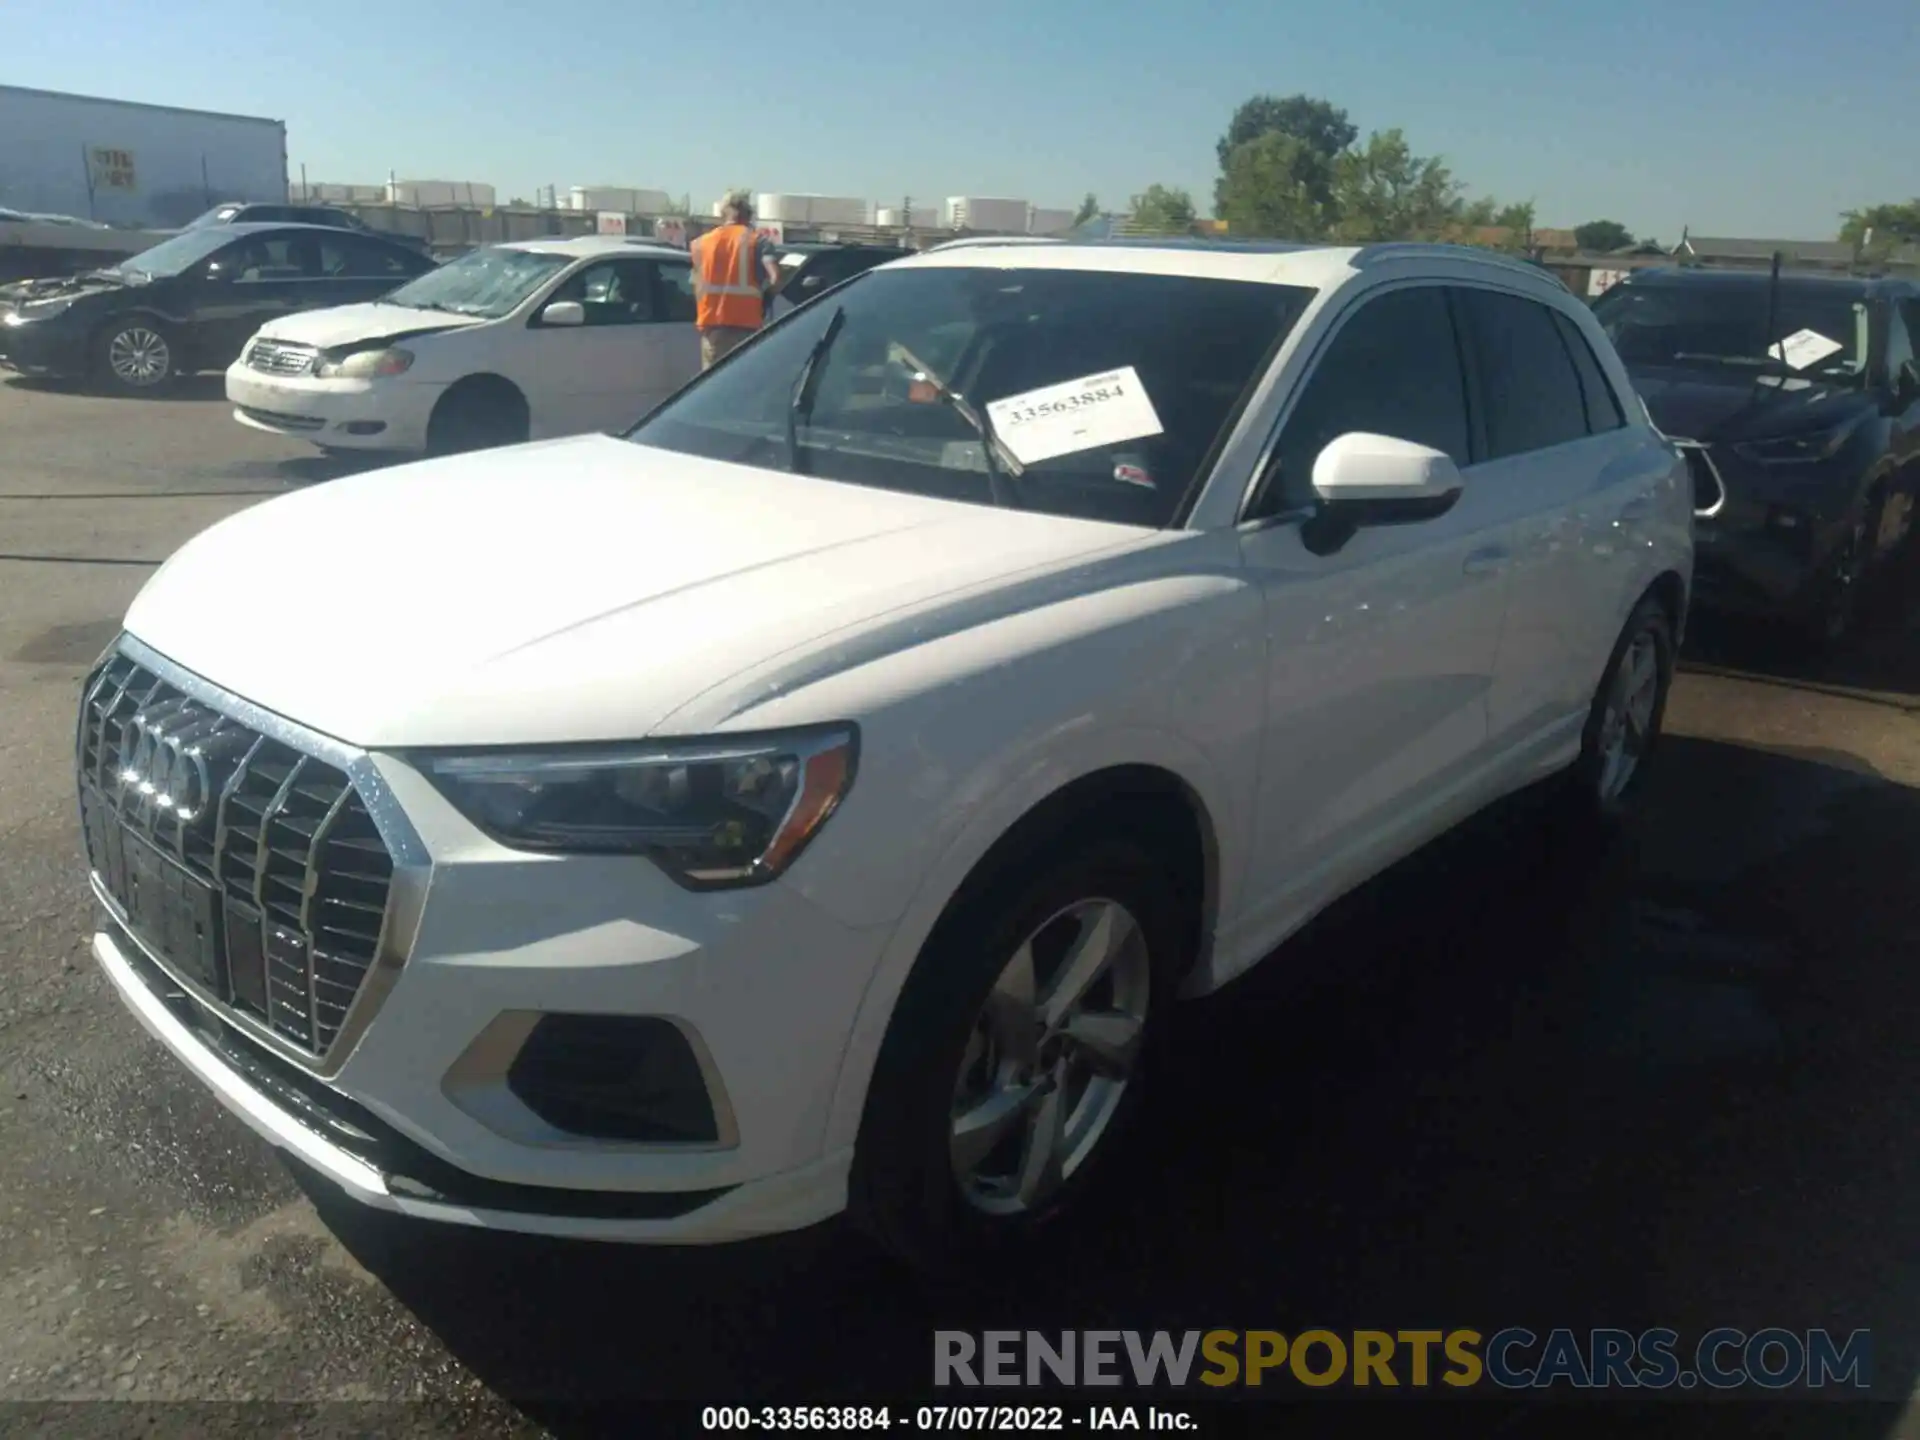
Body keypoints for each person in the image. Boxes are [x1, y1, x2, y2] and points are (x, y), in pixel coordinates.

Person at [690, 190, 781, 369]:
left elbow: (696, 286)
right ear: (748, 214)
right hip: (745, 330)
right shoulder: (757, 241)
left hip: (712, 330)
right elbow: (775, 278)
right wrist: (767, 299)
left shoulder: (701, 244)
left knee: (713, 387)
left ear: (723, 214)